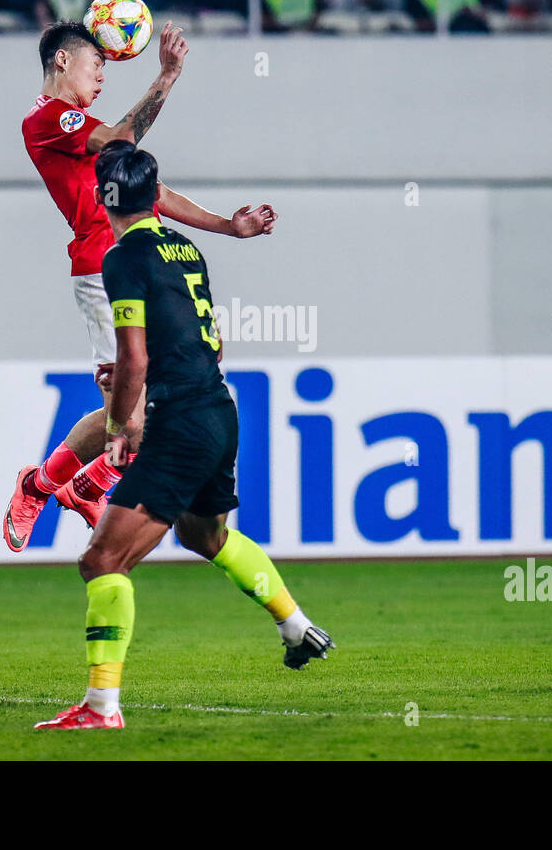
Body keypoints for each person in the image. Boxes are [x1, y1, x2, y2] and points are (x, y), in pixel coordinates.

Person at [35, 142, 335, 730]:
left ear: (104, 196)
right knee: (207, 534)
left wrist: (121, 425)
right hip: (220, 410)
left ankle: (101, 708)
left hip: (179, 421)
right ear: (155, 196)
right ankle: (296, 626)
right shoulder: (185, 247)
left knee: (103, 559)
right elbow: (213, 344)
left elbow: (134, 355)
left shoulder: (123, 257)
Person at [3, 22, 277, 547]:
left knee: (142, 409)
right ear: (62, 61)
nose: (103, 77)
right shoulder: (47, 119)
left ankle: (75, 483)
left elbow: (150, 189)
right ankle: (47, 485)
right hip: (101, 266)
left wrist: (227, 225)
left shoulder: (89, 128)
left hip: (144, 260)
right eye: (97, 66)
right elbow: (124, 137)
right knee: (135, 421)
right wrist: (167, 77)